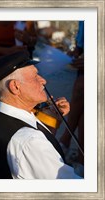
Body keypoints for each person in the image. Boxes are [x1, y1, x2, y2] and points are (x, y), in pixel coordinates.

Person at [0, 50, 82, 179]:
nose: (43, 81)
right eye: (35, 77)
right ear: (15, 87)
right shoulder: (30, 142)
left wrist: (53, 119)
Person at [0, 21, 37, 114]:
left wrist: (28, 39)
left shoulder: (25, 18)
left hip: (19, 54)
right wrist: (9, 51)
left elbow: (34, 41)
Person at [59, 21, 84, 166]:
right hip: (84, 64)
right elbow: (82, 41)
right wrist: (77, 51)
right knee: (84, 112)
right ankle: (82, 162)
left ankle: (65, 139)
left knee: (81, 88)